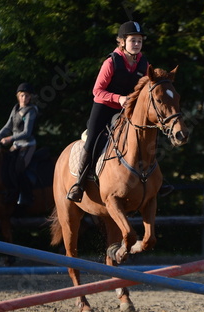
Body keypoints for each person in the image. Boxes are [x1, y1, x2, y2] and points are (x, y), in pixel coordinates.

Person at [66, 21, 149, 202]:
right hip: (104, 107)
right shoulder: (111, 62)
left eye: (139, 41)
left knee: (143, 137)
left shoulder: (143, 64)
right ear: (122, 42)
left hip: (126, 110)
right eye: (133, 40)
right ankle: (79, 183)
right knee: (93, 139)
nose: (136, 44)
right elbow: (97, 91)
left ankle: (154, 178)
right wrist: (118, 98)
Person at [0, 82, 39, 205]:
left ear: (30, 97)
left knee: (18, 169)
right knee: (6, 166)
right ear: (18, 96)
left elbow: (27, 132)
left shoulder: (30, 111)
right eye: (22, 95)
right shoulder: (15, 109)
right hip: (16, 145)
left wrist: (9, 139)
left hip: (28, 145)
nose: (24, 98)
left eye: (27, 96)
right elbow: (8, 126)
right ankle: (10, 193)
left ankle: (26, 196)